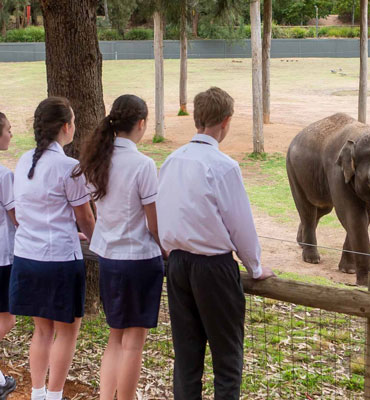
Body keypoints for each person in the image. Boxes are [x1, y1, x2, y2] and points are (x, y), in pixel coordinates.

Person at [156, 86, 275, 399]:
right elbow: (241, 227)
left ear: (197, 118)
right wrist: (256, 266)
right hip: (213, 268)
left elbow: (162, 213)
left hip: (178, 264)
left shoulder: (171, 161)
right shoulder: (223, 166)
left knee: (186, 356)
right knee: (226, 358)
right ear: (226, 121)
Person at [73, 95, 164, 400]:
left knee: (115, 338)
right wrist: (167, 248)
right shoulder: (144, 165)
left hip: (109, 260)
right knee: (134, 343)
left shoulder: (98, 160)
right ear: (141, 124)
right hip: (140, 260)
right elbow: (154, 225)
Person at [9, 97, 95, 400]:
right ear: (66, 127)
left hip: (27, 258)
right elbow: (85, 217)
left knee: (42, 330)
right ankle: (55, 395)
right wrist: (98, 241)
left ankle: (37, 393)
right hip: (59, 260)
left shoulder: (22, 161)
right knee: (67, 332)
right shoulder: (70, 167)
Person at [0, 112, 17, 398]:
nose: (11, 134)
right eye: (9, 129)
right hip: (3, 257)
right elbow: (18, 218)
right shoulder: (4, 175)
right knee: (8, 317)